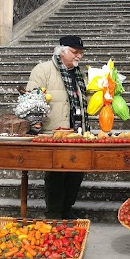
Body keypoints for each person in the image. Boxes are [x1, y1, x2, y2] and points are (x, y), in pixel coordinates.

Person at [26, 35, 91, 219]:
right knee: (56, 175)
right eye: (74, 52)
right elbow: (31, 100)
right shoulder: (43, 70)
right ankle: (54, 213)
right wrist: (35, 124)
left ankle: (67, 210)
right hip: (54, 133)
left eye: (81, 53)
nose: (78, 56)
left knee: (76, 174)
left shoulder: (81, 75)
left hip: (78, 132)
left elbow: (86, 101)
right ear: (61, 51)